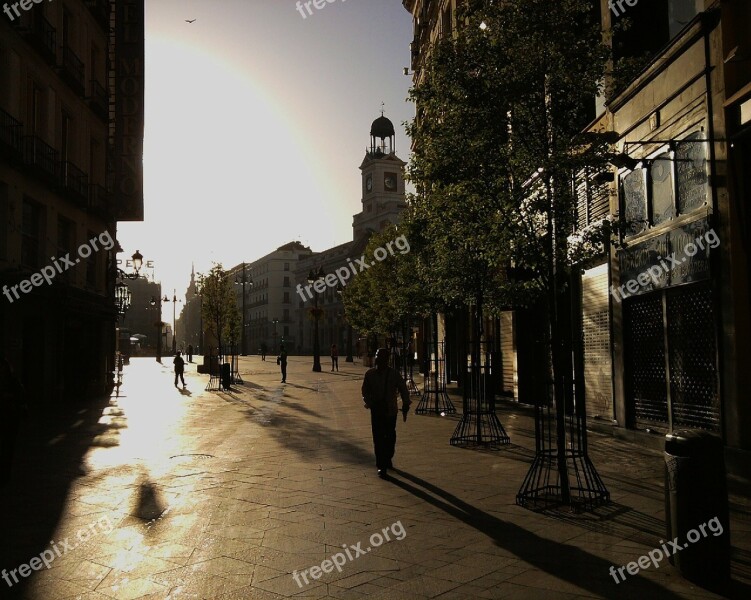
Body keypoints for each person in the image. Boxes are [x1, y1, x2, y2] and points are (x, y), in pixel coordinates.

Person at [362, 347, 410, 478]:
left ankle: (388, 457)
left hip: (390, 410)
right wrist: (369, 402)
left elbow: (403, 388)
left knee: (390, 436)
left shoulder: (394, 374)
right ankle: (381, 465)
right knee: (378, 438)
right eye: (377, 357)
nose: (379, 360)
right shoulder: (370, 374)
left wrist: (406, 403)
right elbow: (364, 391)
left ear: (386, 360)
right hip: (376, 411)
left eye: (381, 357)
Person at [0, 357, 26, 487]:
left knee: (8, 447)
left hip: (10, 419)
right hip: (9, 419)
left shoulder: (13, 382)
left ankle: (5, 474)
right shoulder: (13, 382)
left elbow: (20, 398)